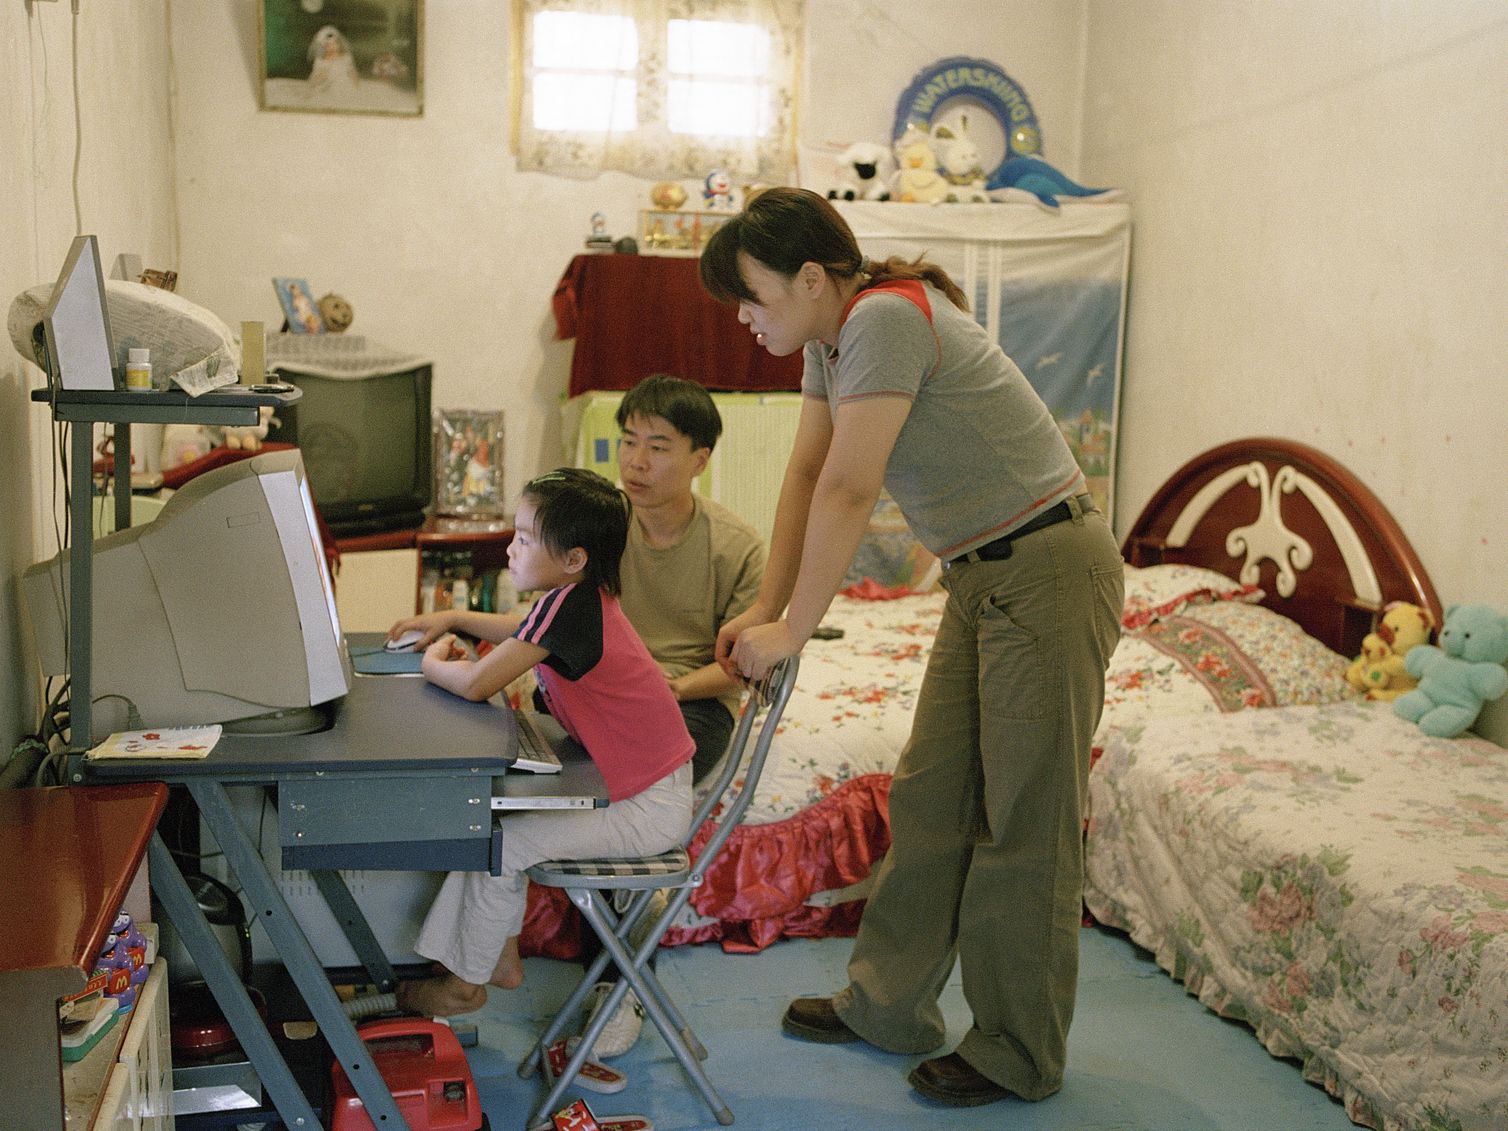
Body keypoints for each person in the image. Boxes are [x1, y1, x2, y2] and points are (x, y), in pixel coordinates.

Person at [698, 187, 1124, 1108]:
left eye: (751, 295)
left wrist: (795, 629)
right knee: (931, 797)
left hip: (1049, 570)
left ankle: (1016, 1049)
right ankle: (888, 1004)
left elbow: (852, 489)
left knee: (1023, 821)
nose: (742, 317)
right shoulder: (831, 340)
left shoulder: (886, 318)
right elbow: (807, 471)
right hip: (980, 577)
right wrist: (765, 606)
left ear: (812, 278)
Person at [394, 468, 695, 1017]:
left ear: (574, 558)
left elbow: (478, 683)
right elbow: (522, 629)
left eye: (525, 539)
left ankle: (464, 986)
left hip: (649, 807)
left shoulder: (571, 607)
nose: (511, 549)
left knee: (502, 845)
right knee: (490, 821)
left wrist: (431, 661)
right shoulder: (575, 600)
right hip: (639, 792)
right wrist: (454, 617)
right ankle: (497, 958)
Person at [613, 374, 766, 782]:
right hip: (607, 685)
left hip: (694, 699)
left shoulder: (737, 546)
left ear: (699, 461)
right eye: (628, 441)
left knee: (662, 759)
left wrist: (675, 688)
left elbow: (744, 665)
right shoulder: (602, 526)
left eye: (658, 447)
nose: (636, 461)